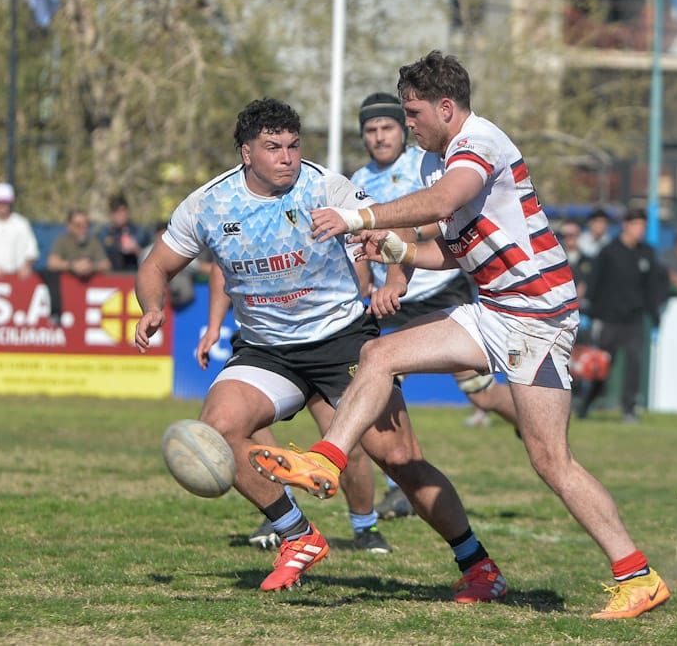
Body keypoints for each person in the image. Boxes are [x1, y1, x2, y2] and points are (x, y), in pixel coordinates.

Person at [250, 52, 670, 618]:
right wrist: (397, 250)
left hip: (537, 318)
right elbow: (454, 250)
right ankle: (327, 459)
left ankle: (637, 575)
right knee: (379, 354)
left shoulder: (480, 143)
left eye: (413, 112)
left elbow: (446, 201)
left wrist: (359, 219)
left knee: (551, 460)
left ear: (446, 107)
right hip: (493, 308)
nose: (407, 124)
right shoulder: (436, 159)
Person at [134, 98, 496, 597]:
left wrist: (395, 279)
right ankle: (297, 535)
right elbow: (156, 266)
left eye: (293, 145)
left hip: (341, 341)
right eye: (273, 147)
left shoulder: (326, 187)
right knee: (218, 428)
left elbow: (396, 226)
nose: (287, 157)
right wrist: (151, 307)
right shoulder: (208, 205)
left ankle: (477, 564)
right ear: (246, 153)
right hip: (267, 350)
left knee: (400, 459)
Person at [348, 91, 521, 515]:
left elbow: (424, 222)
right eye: (371, 130)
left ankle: (528, 422)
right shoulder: (357, 180)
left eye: (387, 127)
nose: (380, 136)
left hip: (438, 288)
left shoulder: (424, 163)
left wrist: (396, 268)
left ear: (401, 130)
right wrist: (364, 289)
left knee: (480, 394)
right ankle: (402, 481)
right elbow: (358, 246)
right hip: (392, 298)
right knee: (381, 384)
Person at [196, 264, 391, 554]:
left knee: (346, 444)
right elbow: (220, 268)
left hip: (326, 342)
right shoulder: (239, 236)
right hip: (269, 346)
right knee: (239, 426)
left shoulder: (326, 235)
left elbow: (360, 277)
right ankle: (284, 513)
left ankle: (366, 526)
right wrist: (214, 326)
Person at [577, 207, 664, 424]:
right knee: (602, 366)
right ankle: (586, 404)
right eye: (636, 225)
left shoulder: (647, 253)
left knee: (634, 364)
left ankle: (629, 409)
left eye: (643, 226)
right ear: (625, 225)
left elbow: (652, 287)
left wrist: (655, 314)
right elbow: (594, 282)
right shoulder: (609, 251)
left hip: (634, 319)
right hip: (609, 319)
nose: (640, 230)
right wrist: (590, 311)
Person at [47, 208, 111, 280]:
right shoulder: (61, 241)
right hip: (67, 283)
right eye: (78, 225)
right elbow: (52, 263)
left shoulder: (93, 242)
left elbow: (106, 264)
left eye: (86, 224)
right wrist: (72, 265)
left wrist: (91, 267)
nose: (83, 228)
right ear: (69, 226)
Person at [98, 195, 151, 272]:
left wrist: (136, 249)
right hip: (112, 275)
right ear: (111, 214)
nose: (121, 215)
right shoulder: (104, 233)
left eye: (123, 211)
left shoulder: (140, 232)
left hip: (134, 274)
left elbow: (151, 258)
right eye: (117, 212)